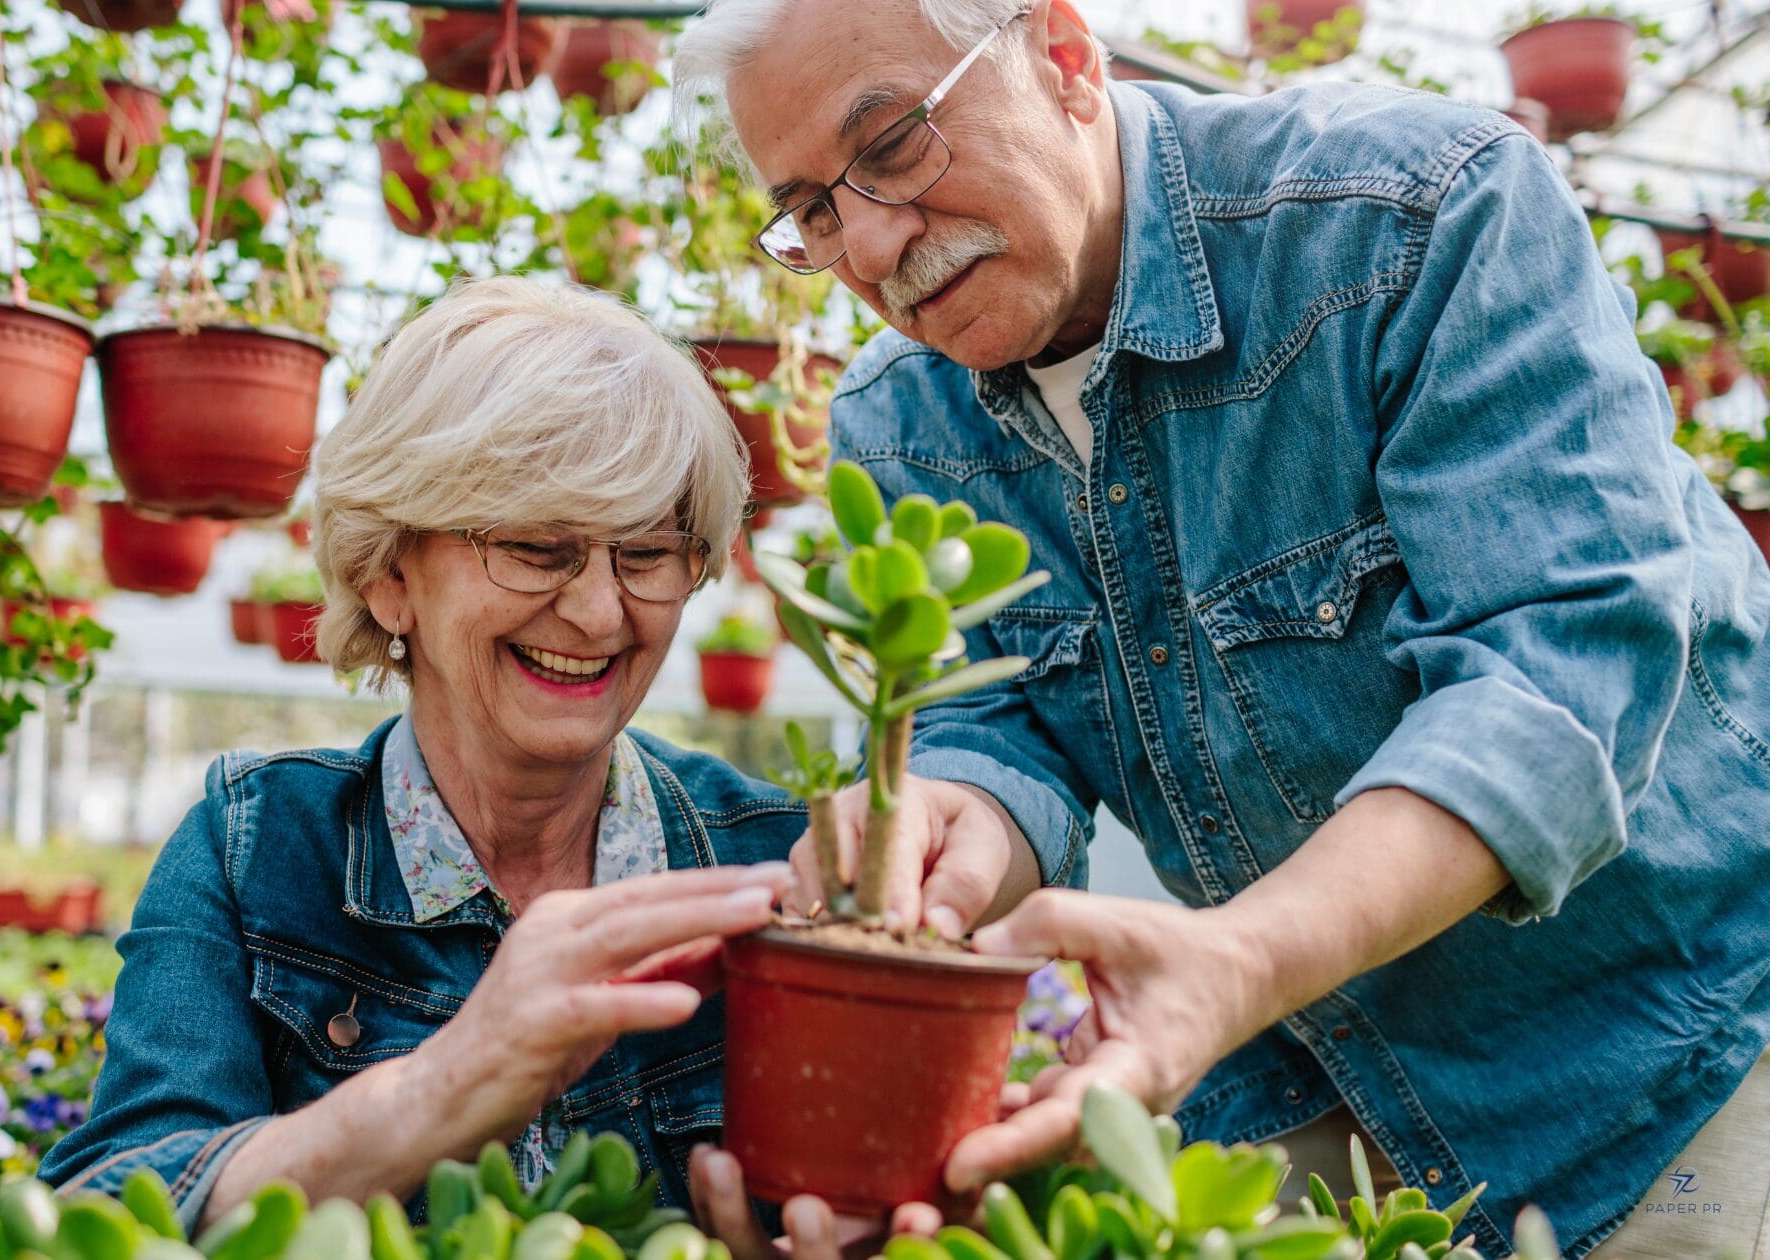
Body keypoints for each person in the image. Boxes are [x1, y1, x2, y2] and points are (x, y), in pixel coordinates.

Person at [673, 2, 1770, 1257]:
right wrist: (947, 828)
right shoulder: (900, 418)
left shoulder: (1409, 218)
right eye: (811, 208)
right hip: (1314, 1077)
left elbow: (1555, 669)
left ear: (1066, 59)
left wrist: (1238, 962)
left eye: (894, 144)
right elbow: (1003, 721)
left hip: (1676, 1044)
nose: (868, 243)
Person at [40, 277, 817, 1239]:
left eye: (648, 552)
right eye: (539, 548)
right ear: (389, 575)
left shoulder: (779, 863)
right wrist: (443, 1088)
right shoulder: (257, 848)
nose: (599, 611)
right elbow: (110, 1202)